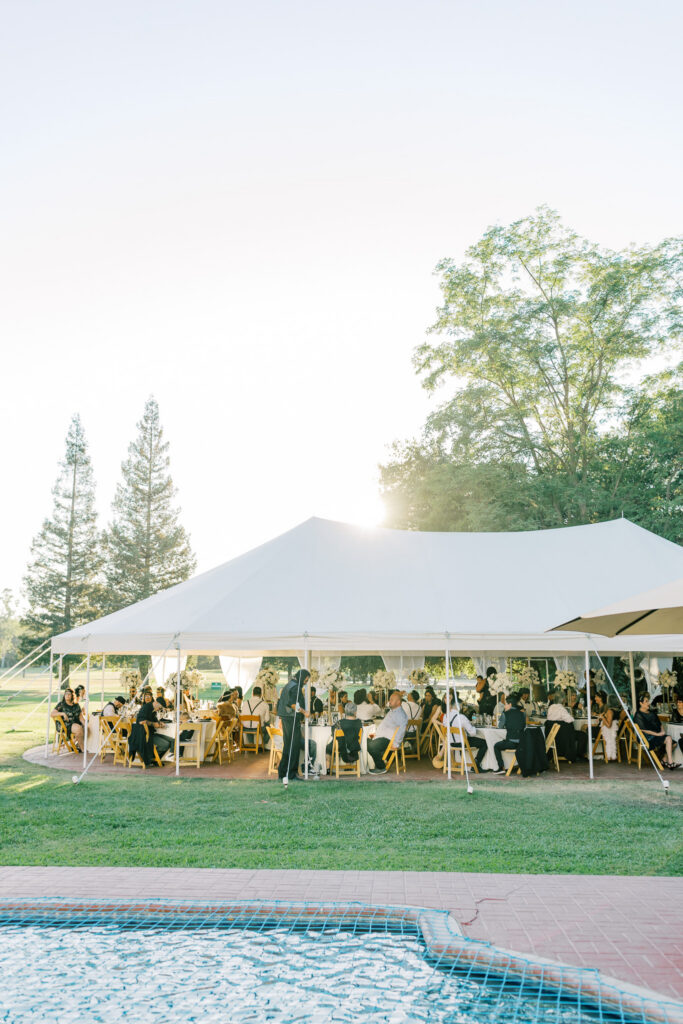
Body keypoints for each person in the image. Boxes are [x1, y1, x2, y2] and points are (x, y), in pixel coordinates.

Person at [276, 668, 310, 781]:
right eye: (306, 679)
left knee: (287, 746)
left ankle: (282, 772)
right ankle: (291, 774)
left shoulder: (289, 684)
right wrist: (305, 712)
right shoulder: (296, 687)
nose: (306, 682)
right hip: (291, 718)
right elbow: (293, 704)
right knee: (294, 747)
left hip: (285, 718)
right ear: (302, 677)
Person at [634, 693, 679, 769]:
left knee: (674, 744)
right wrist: (657, 734)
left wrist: (662, 731)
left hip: (657, 734)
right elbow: (644, 730)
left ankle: (664, 760)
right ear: (641, 703)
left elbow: (659, 723)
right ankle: (670, 763)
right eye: (646, 701)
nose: (648, 703)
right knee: (668, 739)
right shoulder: (638, 715)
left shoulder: (651, 712)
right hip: (647, 737)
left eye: (648, 701)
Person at [367, 691, 408, 774]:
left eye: (392, 700)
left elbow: (402, 730)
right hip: (382, 737)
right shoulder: (392, 710)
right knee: (365, 741)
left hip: (388, 740)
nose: (389, 701)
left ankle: (381, 767)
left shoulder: (401, 714)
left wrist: (396, 744)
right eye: (390, 699)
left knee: (371, 746)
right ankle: (386, 758)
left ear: (398, 702)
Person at [135, 690, 174, 765]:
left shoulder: (153, 710)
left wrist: (159, 724)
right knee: (165, 744)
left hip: (151, 733)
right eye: (160, 707)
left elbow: (155, 721)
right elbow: (141, 721)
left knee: (172, 741)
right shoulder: (146, 708)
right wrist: (154, 724)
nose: (160, 709)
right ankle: (153, 759)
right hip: (144, 734)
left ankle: (154, 759)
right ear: (156, 703)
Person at [445, 704, 488, 771]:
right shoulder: (461, 717)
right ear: (459, 706)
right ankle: (476, 764)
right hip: (462, 744)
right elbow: (472, 733)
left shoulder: (446, 716)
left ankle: (464, 764)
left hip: (451, 743)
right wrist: (473, 727)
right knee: (484, 743)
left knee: (464, 739)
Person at [493, 695, 526, 774]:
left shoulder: (505, 714)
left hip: (512, 743)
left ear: (510, 704)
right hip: (522, 743)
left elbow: (500, 726)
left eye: (506, 704)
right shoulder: (523, 713)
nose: (505, 706)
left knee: (496, 746)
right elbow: (523, 726)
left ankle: (501, 767)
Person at [597, 695, 619, 761]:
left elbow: (609, 725)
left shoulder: (610, 711)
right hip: (615, 733)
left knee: (588, 730)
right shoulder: (618, 711)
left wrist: (603, 718)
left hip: (606, 732)